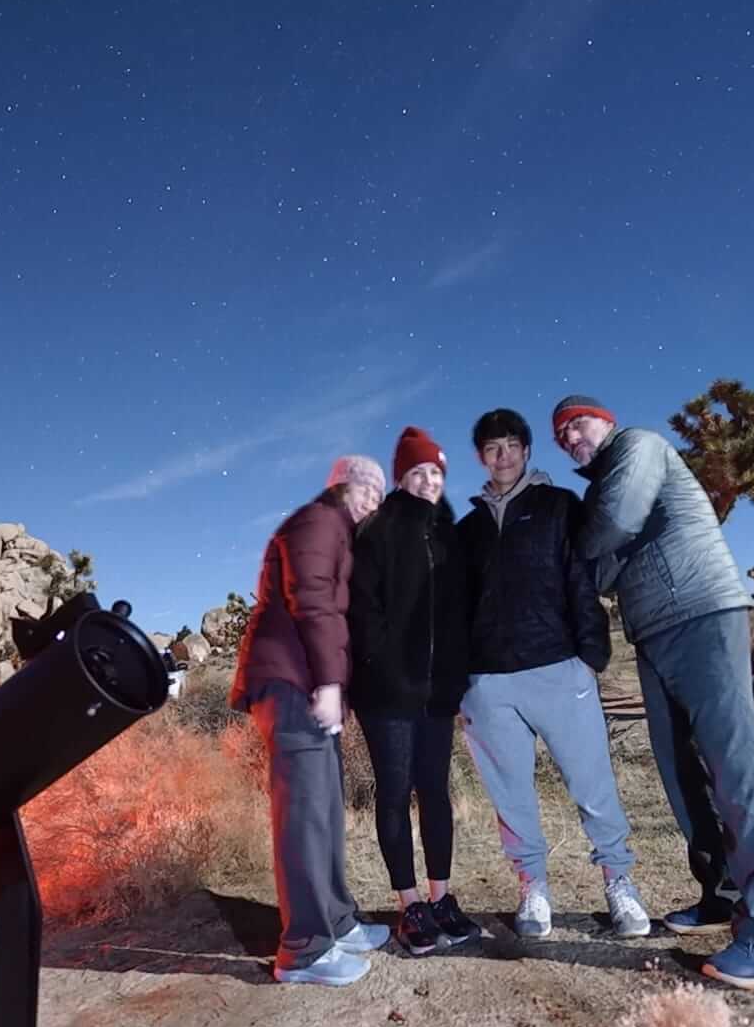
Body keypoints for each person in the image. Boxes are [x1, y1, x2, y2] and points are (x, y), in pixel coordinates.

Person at [555, 393, 754, 991]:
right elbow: (603, 568)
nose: (570, 439)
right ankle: (719, 896)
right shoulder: (599, 490)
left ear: (605, 420)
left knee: (733, 770)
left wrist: (560, 560)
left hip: (704, 615)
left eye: (576, 425)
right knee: (682, 775)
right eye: (562, 437)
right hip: (655, 634)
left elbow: (613, 526)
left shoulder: (639, 446)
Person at [455, 408, 651, 941]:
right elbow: (453, 607)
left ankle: (619, 881)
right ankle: (532, 887)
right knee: (511, 796)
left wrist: (590, 654)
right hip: (487, 682)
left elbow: (580, 580)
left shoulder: (559, 506)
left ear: (526, 450)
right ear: (481, 456)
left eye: (513, 445)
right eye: (493, 447)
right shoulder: (466, 529)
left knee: (593, 785)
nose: (504, 456)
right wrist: (460, 679)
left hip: (558, 667)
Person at [230, 454, 393, 986]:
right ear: (340, 484)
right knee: (303, 816)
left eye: (380, 491)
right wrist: (327, 682)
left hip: (305, 684)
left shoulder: (335, 528)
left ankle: (337, 922)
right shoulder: (317, 522)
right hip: (291, 682)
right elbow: (313, 601)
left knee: (322, 811)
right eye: (365, 485)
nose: (374, 496)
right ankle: (302, 950)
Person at [347, 426, 483, 955]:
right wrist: (387, 669)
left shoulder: (448, 534)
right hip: (387, 693)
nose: (429, 481)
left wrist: (455, 677)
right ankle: (410, 906)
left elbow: (459, 616)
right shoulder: (377, 530)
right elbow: (364, 613)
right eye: (419, 472)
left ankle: (442, 897)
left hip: (436, 692)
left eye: (436, 472)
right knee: (395, 790)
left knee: (436, 792)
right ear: (401, 476)